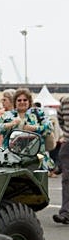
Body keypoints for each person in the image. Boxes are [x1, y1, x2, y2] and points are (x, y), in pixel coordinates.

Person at [53, 95, 69, 224]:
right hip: (67, 144)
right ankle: (65, 213)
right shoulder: (64, 102)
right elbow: (60, 120)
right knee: (66, 179)